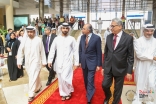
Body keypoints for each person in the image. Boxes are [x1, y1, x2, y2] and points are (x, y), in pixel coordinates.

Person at [102, 18, 134, 104]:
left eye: (113, 26)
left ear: (120, 26)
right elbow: (106, 52)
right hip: (108, 67)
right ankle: (108, 96)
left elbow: (131, 56)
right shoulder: (109, 37)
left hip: (121, 68)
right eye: (111, 26)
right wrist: (104, 66)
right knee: (104, 85)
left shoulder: (128, 38)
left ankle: (115, 102)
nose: (111, 28)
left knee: (118, 89)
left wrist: (129, 71)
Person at [48, 23, 79, 101]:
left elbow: (75, 51)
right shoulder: (56, 39)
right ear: (61, 29)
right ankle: (64, 93)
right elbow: (52, 50)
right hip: (58, 62)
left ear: (68, 29)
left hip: (68, 62)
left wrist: (76, 62)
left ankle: (67, 92)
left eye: (66, 28)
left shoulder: (72, 39)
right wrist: (50, 60)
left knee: (66, 78)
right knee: (61, 79)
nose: (65, 30)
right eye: (63, 28)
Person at [17, 26, 47, 102]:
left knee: (33, 76)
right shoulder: (24, 41)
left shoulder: (38, 40)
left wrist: (44, 61)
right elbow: (20, 51)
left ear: (34, 32)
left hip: (36, 62)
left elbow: (42, 51)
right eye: (28, 32)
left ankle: (31, 94)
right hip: (27, 62)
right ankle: (38, 86)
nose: (30, 33)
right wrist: (19, 61)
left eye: (31, 32)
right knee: (33, 76)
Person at [132, 24, 156, 104]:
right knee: (141, 84)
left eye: (151, 31)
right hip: (141, 66)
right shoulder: (138, 41)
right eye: (147, 31)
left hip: (152, 66)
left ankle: (149, 100)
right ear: (143, 31)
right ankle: (141, 99)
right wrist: (152, 57)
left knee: (151, 84)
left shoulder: (155, 41)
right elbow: (139, 55)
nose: (149, 33)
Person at [79, 23, 102, 104]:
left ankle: (89, 98)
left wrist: (99, 64)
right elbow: (80, 50)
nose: (82, 30)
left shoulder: (97, 38)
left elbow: (99, 52)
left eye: (83, 29)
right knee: (85, 80)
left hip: (93, 62)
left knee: (90, 80)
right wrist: (80, 61)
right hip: (84, 62)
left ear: (89, 30)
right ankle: (90, 90)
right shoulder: (82, 37)